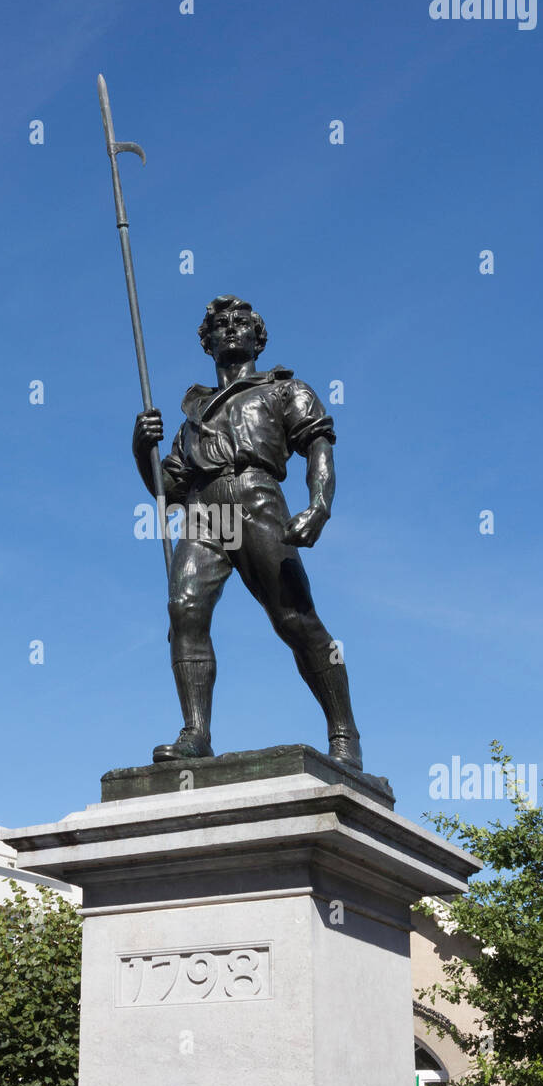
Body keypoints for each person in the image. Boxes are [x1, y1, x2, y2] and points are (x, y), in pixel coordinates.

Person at [132, 294, 362, 768]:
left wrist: (319, 506)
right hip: (203, 510)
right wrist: (142, 451)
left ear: (258, 336)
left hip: (257, 498)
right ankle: (195, 733)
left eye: (241, 322)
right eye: (219, 324)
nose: (230, 328)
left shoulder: (284, 389)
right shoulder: (191, 417)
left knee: (294, 620)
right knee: (184, 609)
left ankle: (344, 733)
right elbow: (168, 490)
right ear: (207, 342)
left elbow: (318, 444)